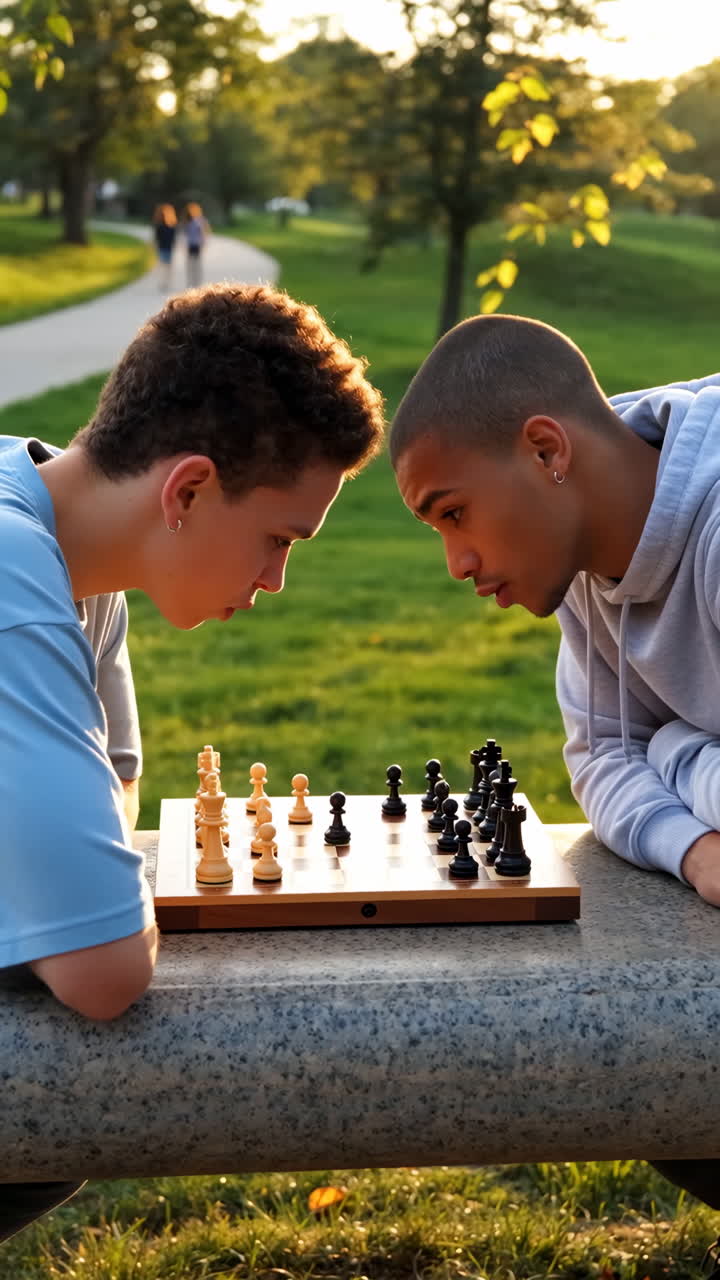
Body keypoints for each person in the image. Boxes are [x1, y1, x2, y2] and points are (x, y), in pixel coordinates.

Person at [0, 282, 384, 1243]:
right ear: (188, 490)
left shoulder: (76, 561)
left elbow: (113, 808)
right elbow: (103, 965)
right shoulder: (13, 581)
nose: (274, 582)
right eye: (277, 540)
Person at [389, 313, 720, 1218]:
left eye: (454, 513)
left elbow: (639, 749)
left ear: (545, 450)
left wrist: (678, 749)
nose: (457, 561)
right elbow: (603, 758)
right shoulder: (586, 562)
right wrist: (698, 852)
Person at [182, 202, 210, 287]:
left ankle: (197, 282)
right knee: (190, 264)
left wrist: (204, 243)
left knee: (197, 264)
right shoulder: (187, 220)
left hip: (197, 245)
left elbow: (205, 232)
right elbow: (184, 234)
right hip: (189, 245)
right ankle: (190, 282)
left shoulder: (201, 220)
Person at [151, 203, 178, 291]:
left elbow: (155, 239)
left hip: (164, 248)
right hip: (165, 248)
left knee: (163, 266)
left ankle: (164, 282)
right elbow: (156, 238)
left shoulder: (161, 226)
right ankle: (165, 282)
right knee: (166, 267)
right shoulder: (167, 227)